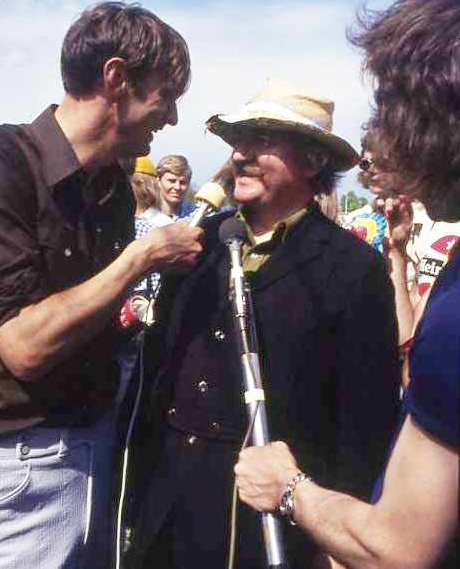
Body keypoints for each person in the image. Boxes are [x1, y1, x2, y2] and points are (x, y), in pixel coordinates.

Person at [0, 2, 203, 568]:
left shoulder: (110, 187)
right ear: (116, 78)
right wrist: (140, 258)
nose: (173, 118)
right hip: (7, 478)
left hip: (89, 457)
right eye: (168, 94)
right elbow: (24, 346)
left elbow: (83, 316)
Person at [234, 0, 460, 569]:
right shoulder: (203, 245)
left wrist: (291, 490)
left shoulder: (356, 268)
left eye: (390, 106)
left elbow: (398, 544)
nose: (379, 137)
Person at [127, 78, 400, 569]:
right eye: (238, 141)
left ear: (313, 161)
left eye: (262, 141)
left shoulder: (352, 267)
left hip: (266, 528)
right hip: (168, 510)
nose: (239, 156)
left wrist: (335, 542)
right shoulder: (196, 242)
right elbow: (158, 371)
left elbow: (365, 423)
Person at [156, 154, 195, 219]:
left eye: (183, 182)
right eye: (172, 181)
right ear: (159, 181)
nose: (177, 187)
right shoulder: (145, 213)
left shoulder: (193, 215)